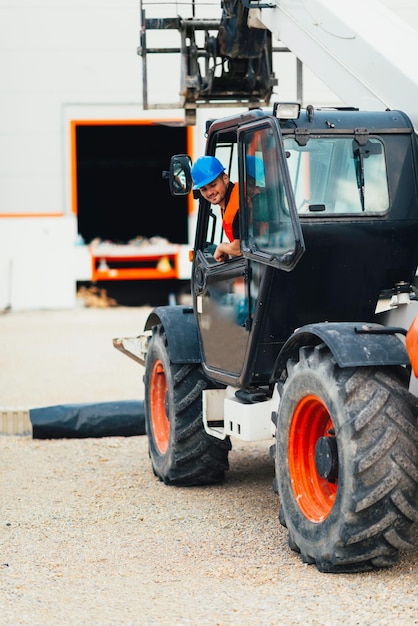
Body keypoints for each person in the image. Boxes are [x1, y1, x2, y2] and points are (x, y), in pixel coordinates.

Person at [191, 156, 241, 262]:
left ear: (225, 178)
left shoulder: (239, 204)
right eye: (203, 189)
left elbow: (241, 248)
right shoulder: (229, 200)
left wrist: (222, 247)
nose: (209, 193)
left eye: (213, 185)